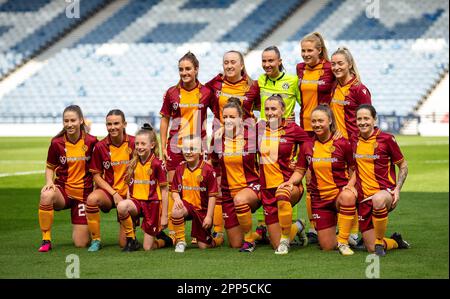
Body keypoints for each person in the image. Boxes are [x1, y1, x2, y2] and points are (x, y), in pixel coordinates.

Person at [279, 105, 357, 256]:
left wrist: (350, 186)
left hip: (339, 196)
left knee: (348, 196)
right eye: (313, 121)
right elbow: (300, 170)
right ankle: (341, 237)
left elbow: (355, 168)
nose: (316, 124)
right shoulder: (307, 145)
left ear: (330, 121)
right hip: (320, 201)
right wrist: (290, 182)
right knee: (327, 246)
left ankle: (343, 241)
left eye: (320, 120)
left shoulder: (342, 143)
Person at [160, 52, 214, 243]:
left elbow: (219, 116)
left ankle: (199, 230)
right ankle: (176, 232)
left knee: (201, 187)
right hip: (175, 147)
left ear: (196, 69)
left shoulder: (206, 92)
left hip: (198, 148)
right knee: (174, 187)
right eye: (181, 69)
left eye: (188, 69)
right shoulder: (171, 93)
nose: (184, 72)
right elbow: (165, 120)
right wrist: (162, 146)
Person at [206, 50, 260, 244]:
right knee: (220, 175)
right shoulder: (216, 84)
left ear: (242, 65)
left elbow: (267, 106)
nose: (229, 66)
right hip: (222, 136)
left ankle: (267, 221)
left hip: (245, 139)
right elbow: (200, 93)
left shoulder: (252, 85)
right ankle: (220, 230)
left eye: (233, 62)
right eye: (225, 62)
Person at [255, 45, 302, 239]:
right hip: (266, 135)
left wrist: (291, 120)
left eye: (271, 60)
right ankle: (262, 226)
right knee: (264, 173)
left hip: (288, 136)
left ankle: (293, 224)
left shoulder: (292, 81)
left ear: (279, 61)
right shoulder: (259, 81)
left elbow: (305, 104)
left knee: (288, 174)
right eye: (264, 61)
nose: (267, 64)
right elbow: (255, 105)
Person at [37, 105, 98, 252]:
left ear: (81, 121)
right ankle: (46, 240)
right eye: (66, 121)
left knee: (81, 243)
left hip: (84, 196)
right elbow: (50, 167)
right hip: (63, 192)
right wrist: (49, 182)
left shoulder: (92, 142)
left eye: (73, 120)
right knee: (46, 194)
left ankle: (88, 231)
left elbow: (97, 169)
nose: (69, 124)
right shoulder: (56, 143)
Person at [352, 104, 410, 256]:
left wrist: (397, 189)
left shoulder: (387, 139)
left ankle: (379, 241)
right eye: (359, 119)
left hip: (385, 194)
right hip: (364, 199)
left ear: (374, 119)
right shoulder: (353, 139)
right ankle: (395, 241)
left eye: (366, 118)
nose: (362, 122)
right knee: (369, 248)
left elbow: (403, 165)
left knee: (378, 199)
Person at [330, 46, 372, 247]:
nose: (336, 67)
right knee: (345, 188)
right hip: (340, 147)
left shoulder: (359, 89)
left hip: (355, 147)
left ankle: (360, 233)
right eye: (334, 63)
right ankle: (350, 230)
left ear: (349, 64)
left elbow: (368, 120)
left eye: (340, 63)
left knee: (357, 189)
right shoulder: (335, 86)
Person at [257, 95, 310, 254]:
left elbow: (310, 144)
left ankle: (285, 242)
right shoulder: (258, 129)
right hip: (267, 189)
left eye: (274, 109)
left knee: (282, 194)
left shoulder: (293, 129)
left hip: (289, 185)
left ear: (283, 110)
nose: (270, 112)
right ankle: (298, 226)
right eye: (267, 109)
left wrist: (299, 164)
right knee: (274, 242)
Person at [296, 32, 336, 244]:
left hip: (324, 130)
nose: (305, 54)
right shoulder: (299, 68)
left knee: (333, 176)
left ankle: (346, 225)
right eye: (303, 50)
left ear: (320, 50)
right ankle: (313, 227)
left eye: (310, 50)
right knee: (310, 179)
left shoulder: (330, 68)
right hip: (305, 130)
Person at [210, 98, 261, 252]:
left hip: (251, 187)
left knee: (240, 199)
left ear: (241, 118)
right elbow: (214, 163)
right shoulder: (217, 138)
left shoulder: (252, 135)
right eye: (225, 117)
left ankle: (250, 240)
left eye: (232, 117)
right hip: (228, 193)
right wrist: (217, 184)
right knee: (235, 243)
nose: (228, 120)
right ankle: (259, 234)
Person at [117, 123, 172, 251]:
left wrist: (164, 216)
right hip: (137, 203)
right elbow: (130, 188)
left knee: (148, 248)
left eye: (143, 144)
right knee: (122, 206)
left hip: (153, 205)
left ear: (152, 145)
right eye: (137, 144)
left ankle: (166, 240)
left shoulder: (158, 164)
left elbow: (164, 190)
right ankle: (132, 240)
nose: (139, 147)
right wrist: (129, 205)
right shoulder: (133, 163)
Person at [85, 109, 134, 251]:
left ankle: (161, 239)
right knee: (92, 199)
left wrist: (130, 195)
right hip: (111, 193)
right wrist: (114, 194)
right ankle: (96, 240)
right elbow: (96, 175)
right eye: (109, 124)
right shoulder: (100, 146)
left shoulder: (134, 143)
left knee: (124, 244)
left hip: (131, 195)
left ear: (124, 124)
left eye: (116, 123)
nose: (112, 127)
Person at [170, 135, 222, 253]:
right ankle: (180, 241)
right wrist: (177, 199)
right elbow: (174, 190)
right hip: (187, 207)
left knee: (203, 246)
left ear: (201, 151)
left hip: (202, 211)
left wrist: (209, 216)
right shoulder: (180, 169)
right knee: (176, 209)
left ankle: (217, 240)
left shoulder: (208, 170)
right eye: (186, 149)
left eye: (192, 149)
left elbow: (212, 196)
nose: (188, 152)